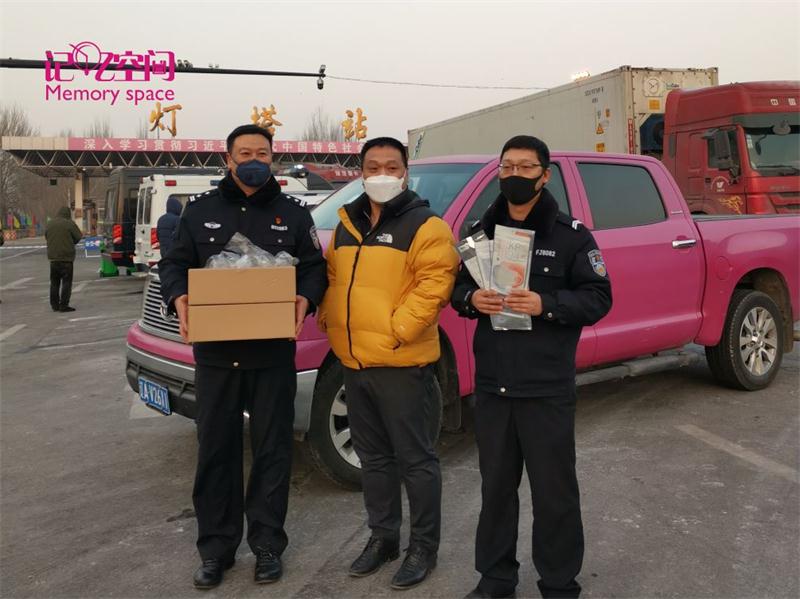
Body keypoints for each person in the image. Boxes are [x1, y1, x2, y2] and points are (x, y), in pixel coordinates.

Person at [158, 124, 327, 590]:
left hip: (272, 355)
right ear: (228, 160)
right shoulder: (200, 212)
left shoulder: (293, 214)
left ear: (273, 159)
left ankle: (268, 545)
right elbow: (174, 264)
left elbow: (315, 268)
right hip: (217, 356)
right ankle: (216, 549)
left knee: (273, 451)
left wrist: (306, 298)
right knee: (217, 451)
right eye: (245, 153)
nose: (254, 160)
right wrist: (178, 296)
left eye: (262, 154)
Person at [451, 135, 612, 599]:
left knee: (554, 494)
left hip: (545, 388)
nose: (514, 175)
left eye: (525, 167)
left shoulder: (570, 236)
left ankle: (559, 584)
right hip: (493, 386)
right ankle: (496, 578)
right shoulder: (481, 234)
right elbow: (457, 290)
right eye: (507, 167)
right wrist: (471, 299)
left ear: (545, 175)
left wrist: (546, 303)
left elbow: (598, 298)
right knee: (495, 492)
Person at [318, 137, 459, 590]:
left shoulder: (426, 226)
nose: (382, 174)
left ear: (405, 173)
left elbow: (435, 285)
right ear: (361, 172)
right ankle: (383, 538)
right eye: (373, 166)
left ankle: (423, 547)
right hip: (354, 361)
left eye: (391, 167)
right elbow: (333, 278)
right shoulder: (347, 223)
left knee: (416, 460)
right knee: (374, 458)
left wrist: (397, 330)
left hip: (401, 362)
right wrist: (331, 319)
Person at [45, 206, 82, 312]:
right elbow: (78, 237)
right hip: (66, 258)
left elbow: (47, 236)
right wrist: (70, 242)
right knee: (66, 282)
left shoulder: (50, 224)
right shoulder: (69, 223)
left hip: (53, 259)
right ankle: (64, 305)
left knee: (54, 282)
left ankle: (54, 305)